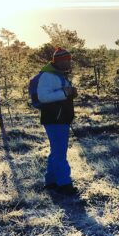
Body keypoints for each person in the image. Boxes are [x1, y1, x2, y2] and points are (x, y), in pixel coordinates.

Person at [36, 47, 78, 195]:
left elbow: (60, 94)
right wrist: (65, 92)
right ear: (58, 61)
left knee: (56, 151)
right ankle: (64, 184)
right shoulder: (48, 75)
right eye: (65, 60)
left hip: (60, 118)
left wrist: (70, 92)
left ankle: (51, 182)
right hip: (54, 119)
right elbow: (43, 97)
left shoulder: (60, 74)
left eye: (69, 60)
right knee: (60, 152)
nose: (68, 62)